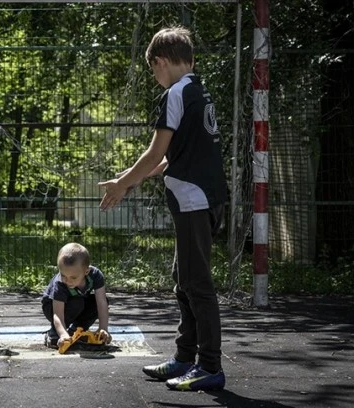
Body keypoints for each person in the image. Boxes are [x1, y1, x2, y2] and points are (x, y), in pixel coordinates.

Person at [98, 26, 228, 391]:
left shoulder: (175, 94)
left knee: (196, 284)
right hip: (206, 199)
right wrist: (129, 179)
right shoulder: (198, 91)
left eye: (153, 70)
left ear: (160, 62)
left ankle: (209, 367)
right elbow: (174, 158)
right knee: (183, 282)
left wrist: (122, 184)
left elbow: (156, 151)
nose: (155, 78)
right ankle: (185, 358)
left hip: (192, 201)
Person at [41, 242, 112, 349]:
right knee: (77, 302)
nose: (67, 281)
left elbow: (101, 303)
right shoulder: (60, 283)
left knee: (96, 303)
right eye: (63, 275)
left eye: (73, 277)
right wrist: (63, 334)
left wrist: (103, 328)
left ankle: (76, 331)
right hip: (52, 307)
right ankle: (54, 333)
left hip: (78, 302)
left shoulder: (95, 276)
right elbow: (57, 315)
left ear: (86, 271)